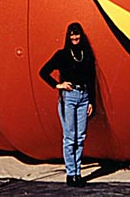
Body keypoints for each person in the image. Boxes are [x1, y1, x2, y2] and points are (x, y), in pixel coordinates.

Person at [39, 22, 96, 187]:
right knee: (70, 137)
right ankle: (71, 174)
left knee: (80, 137)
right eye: (71, 34)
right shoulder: (62, 55)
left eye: (77, 34)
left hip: (84, 97)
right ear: (68, 36)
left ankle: (77, 173)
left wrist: (92, 101)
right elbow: (43, 71)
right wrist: (58, 85)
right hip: (69, 97)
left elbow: (92, 79)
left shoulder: (87, 54)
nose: (74, 37)